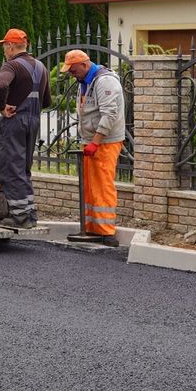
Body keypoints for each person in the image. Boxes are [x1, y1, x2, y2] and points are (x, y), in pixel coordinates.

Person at [60, 49, 126, 247]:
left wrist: (96, 141)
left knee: (102, 184)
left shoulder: (104, 81)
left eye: (73, 70)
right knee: (90, 185)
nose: (72, 74)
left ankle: (106, 232)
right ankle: (92, 227)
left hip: (104, 142)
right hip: (92, 141)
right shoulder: (87, 81)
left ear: (84, 65)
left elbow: (109, 114)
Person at [0, 28, 50, 228]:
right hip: (33, 121)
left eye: (4, 47)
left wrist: (2, 107)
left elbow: (1, 86)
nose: (3, 51)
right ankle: (29, 214)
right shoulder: (41, 67)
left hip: (15, 121)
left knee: (10, 168)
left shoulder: (12, 65)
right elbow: (47, 100)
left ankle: (20, 217)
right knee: (23, 169)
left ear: (10, 46)